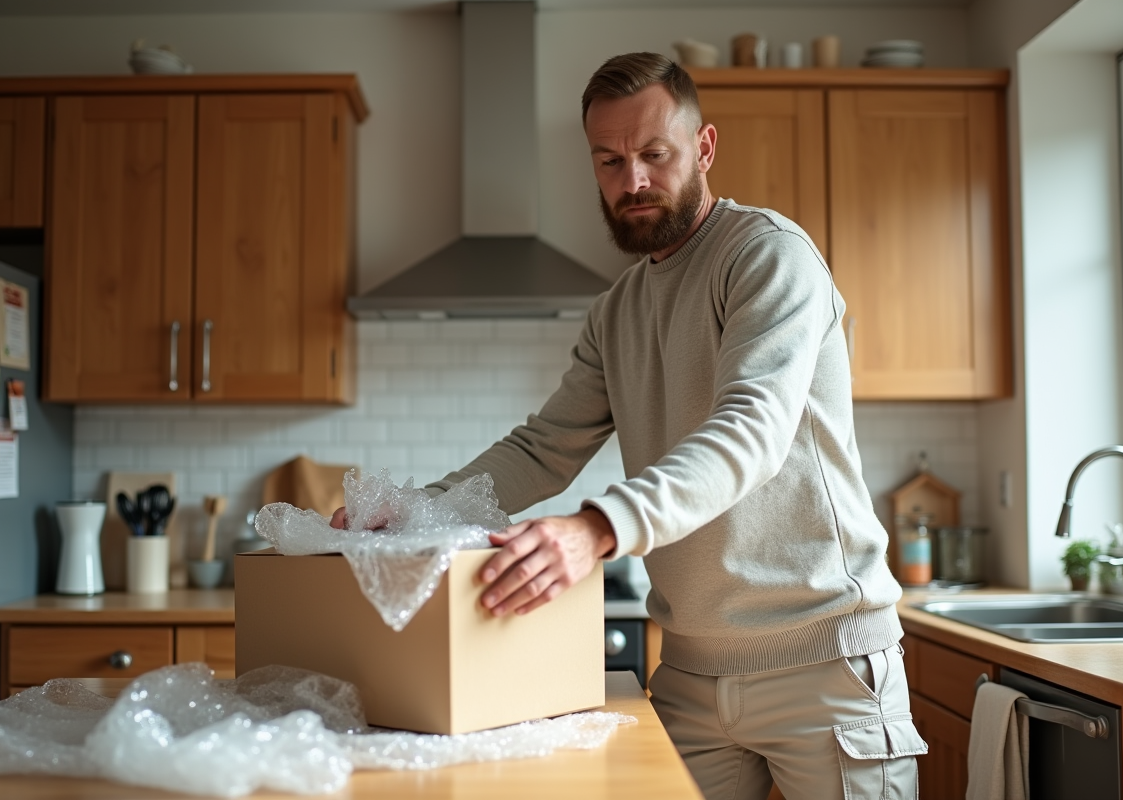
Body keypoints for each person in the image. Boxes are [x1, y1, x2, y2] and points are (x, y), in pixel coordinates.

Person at [332, 52, 926, 800]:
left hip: (825, 665)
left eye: (655, 154)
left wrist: (598, 527)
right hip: (689, 671)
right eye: (610, 160)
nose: (633, 180)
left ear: (704, 148)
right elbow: (543, 447)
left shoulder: (767, 256)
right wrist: (415, 513)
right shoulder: (617, 311)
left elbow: (753, 429)